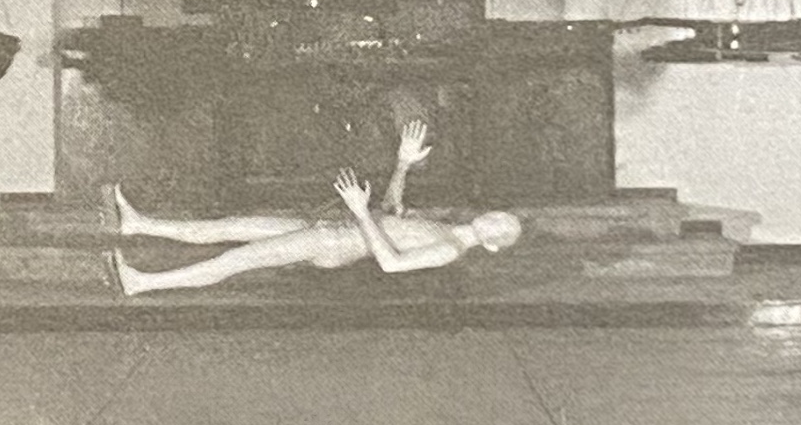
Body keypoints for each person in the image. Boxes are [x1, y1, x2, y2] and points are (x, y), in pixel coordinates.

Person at [104, 120, 523, 295]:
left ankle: (141, 283)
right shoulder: (443, 225)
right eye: (501, 216)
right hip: (329, 228)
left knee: (237, 259)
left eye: (501, 230)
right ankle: (139, 225)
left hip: (333, 245)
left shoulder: (449, 248)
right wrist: (402, 164)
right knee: (228, 225)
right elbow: (392, 211)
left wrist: (360, 211)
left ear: (492, 246)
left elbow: (391, 264)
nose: (495, 221)